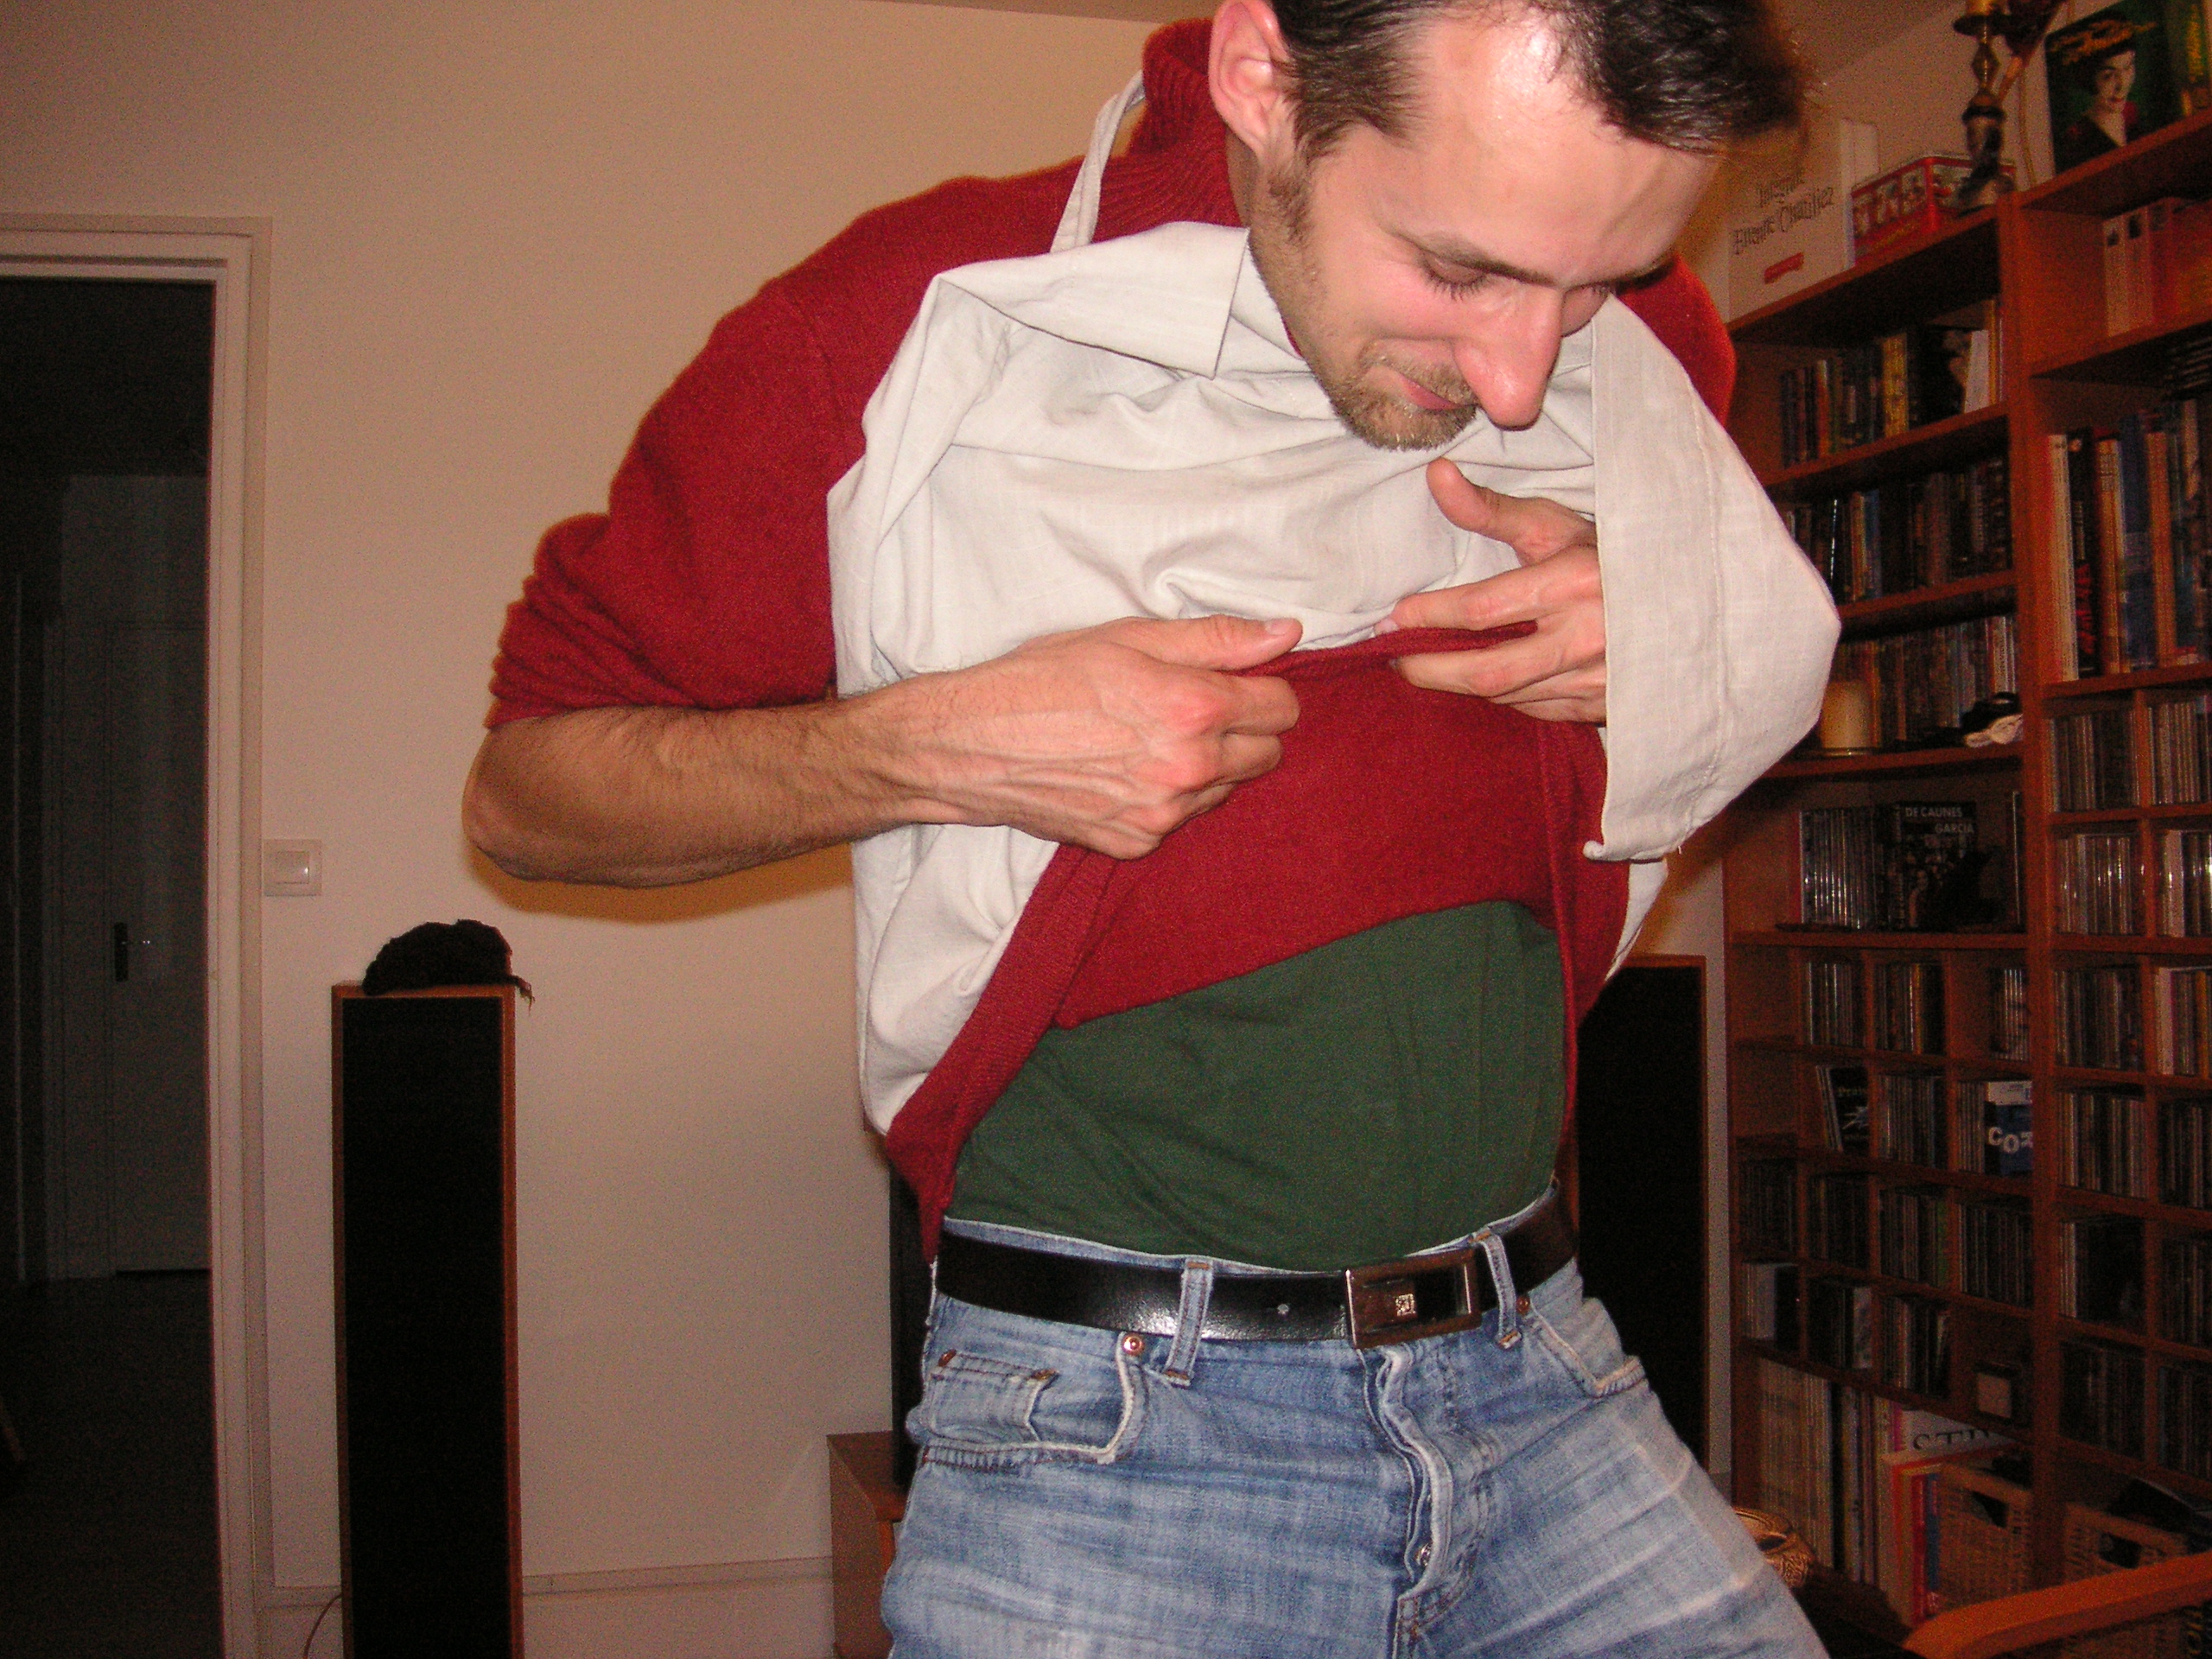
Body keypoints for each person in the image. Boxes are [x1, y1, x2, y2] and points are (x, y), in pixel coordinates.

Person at [467, 2, 1836, 1653]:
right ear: (1267, 83)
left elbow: (1727, 665)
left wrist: (1663, 619)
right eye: (1457, 271)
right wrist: (942, 743)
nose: (1520, 375)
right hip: (1117, 1425)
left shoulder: (1651, 349)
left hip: (1542, 1357)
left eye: (1597, 285)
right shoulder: (910, 315)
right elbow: (531, 790)